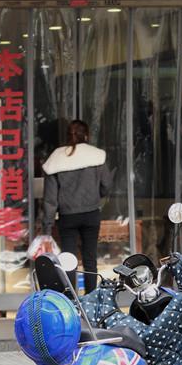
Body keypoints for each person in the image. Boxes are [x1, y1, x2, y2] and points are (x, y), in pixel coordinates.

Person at [41, 119, 111, 294]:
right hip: (91, 213)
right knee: (90, 259)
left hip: (67, 216)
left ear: (68, 136)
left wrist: (47, 228)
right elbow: (106, 185)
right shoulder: (96, 155)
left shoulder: (56, 158)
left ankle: (72, 300)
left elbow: (50, 199)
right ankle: (91, 296)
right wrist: (96, 196)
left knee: (68, 260)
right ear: (86, 136)